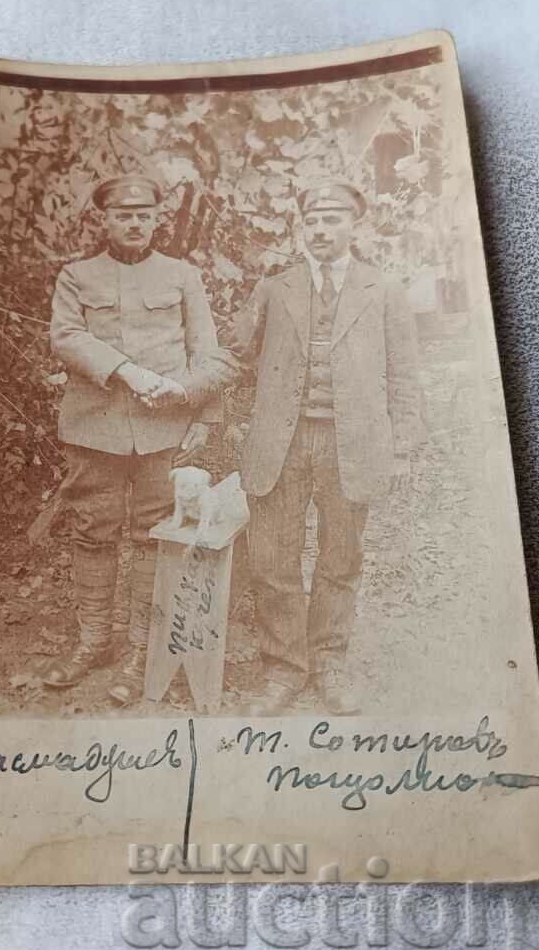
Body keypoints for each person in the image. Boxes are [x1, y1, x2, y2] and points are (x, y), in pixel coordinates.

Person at [219, 180, 419, 713]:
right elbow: (235, 359)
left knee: (340, 557)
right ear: (301, 226)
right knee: (272, 558)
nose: (321, 229)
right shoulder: (273, 288)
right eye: (312, 220)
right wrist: (234, 423)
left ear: (356, 225)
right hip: (280, 443)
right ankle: (283, 670)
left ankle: (329, 664)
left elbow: (403, 375)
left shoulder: (385, 290)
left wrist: (402, 448)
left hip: (353, 442)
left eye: (332, 219)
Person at [43, 174, 219, 697]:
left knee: (153, 535)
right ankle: (95, 639)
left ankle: (143, 646)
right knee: (92, 531)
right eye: (123, 214)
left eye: (144, 213)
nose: (135, 222)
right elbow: (66, 337)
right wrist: (127, 371)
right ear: (104, 219)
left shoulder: (182, 275)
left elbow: (206, 353)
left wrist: (205, 416)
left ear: (158, 219)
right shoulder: (76, 276)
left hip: (163, 434)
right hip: (94, 428)